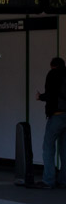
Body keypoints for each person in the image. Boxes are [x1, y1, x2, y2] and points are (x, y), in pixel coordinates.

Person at [34, 56, 66, 188]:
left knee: (48, 147)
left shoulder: (53, 74)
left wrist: (40, 96)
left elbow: (50, 94)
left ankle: (48, 180)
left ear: (52, 65)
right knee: (64, 149)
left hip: (57, 115)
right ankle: (64, 180)